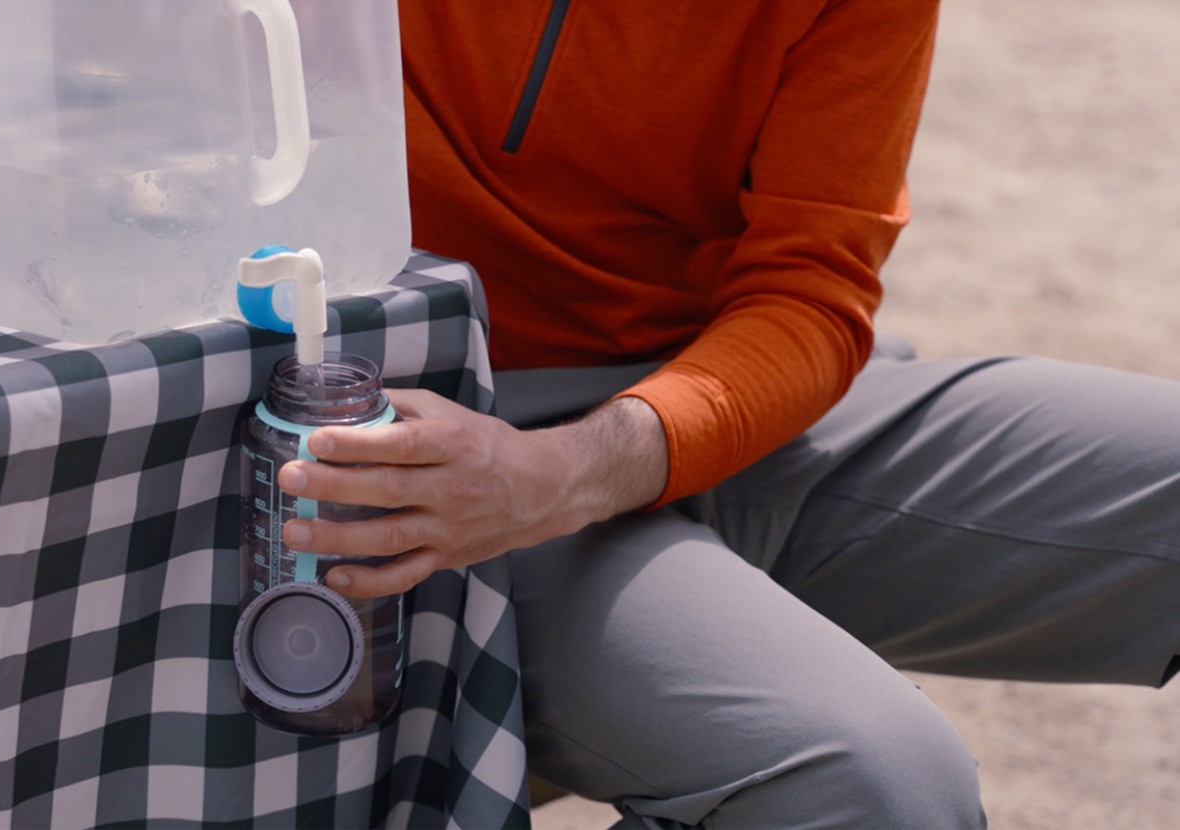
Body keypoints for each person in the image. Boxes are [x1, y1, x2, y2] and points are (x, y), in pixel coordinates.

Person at [272, 1, 1180, 827]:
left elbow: (809, 290)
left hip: (721, 405)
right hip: (442, 442)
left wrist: (573, 471)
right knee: (874, 788)